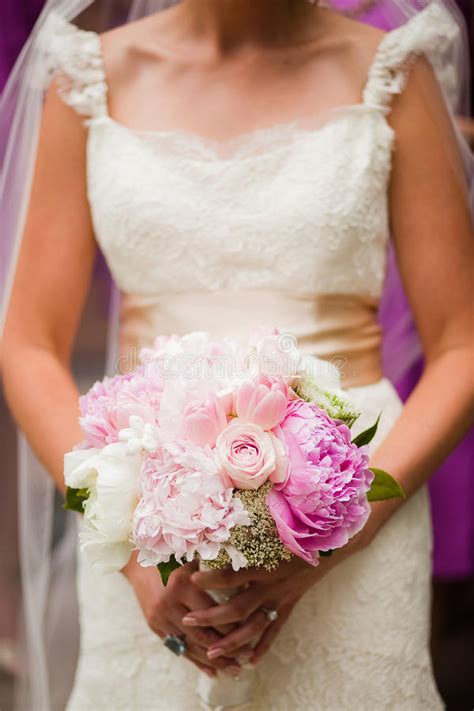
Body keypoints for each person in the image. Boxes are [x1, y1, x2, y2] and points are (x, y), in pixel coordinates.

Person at [1, 1, 473, 709]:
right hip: (145, 512)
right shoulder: (86, 80)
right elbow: (28, 340)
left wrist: (343, 534)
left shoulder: (393, 70)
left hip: (359, 502)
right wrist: (131, 553)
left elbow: (463, 341)